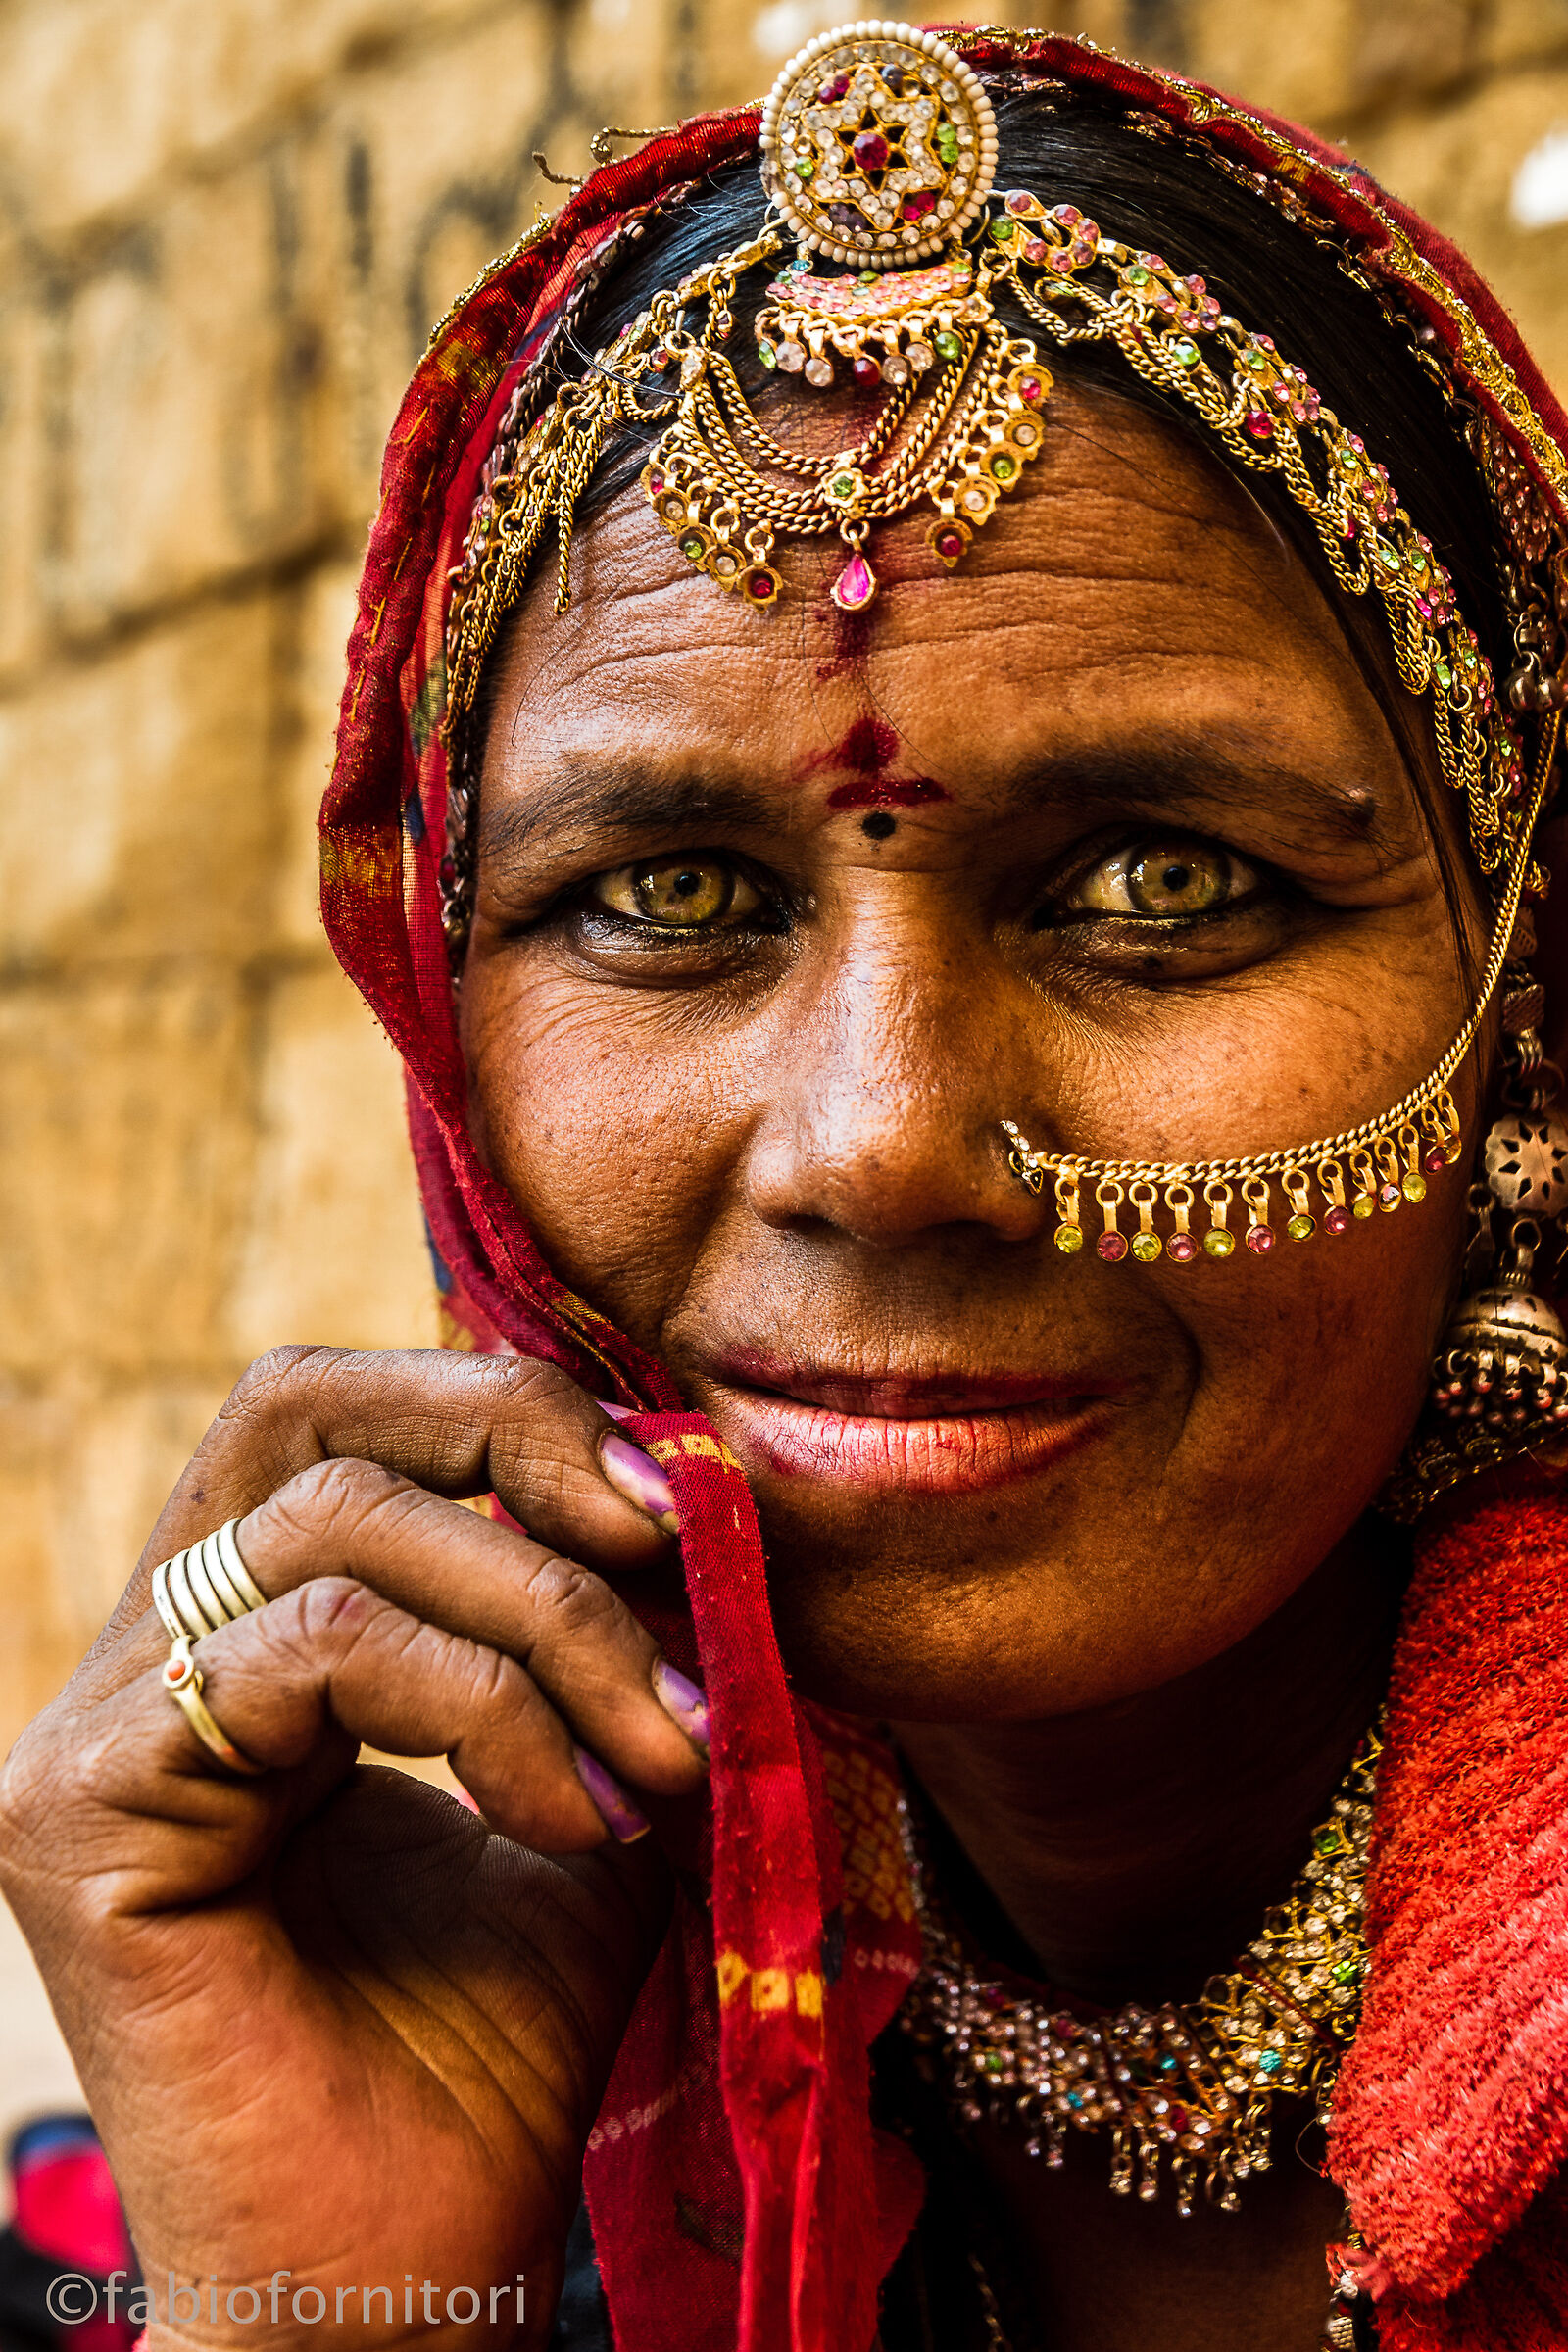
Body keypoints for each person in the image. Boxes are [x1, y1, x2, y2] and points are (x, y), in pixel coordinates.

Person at [3, 24, 1567, 2352]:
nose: (875, 1143)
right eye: (671, 898)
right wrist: (331, 2301)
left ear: (1519, 1011)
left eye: (1158, 879)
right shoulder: (428, 2046)